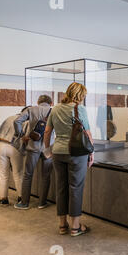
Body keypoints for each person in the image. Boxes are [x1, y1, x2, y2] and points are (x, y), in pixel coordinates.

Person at [44, 82, 94, 236]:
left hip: (58, 152)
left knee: (61, 187)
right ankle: (76, 227)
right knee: (76, 188)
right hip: (77, 153)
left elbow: (47, 132)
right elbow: (87, 133)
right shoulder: (80, 109)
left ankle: (62, 225)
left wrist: (47, 149)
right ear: (79, 95)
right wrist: (91, 152)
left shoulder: (56, 109)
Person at [14, 95, 53, 210]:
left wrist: (21, 135)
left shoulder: (31, 110)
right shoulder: (54, 111)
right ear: (50, 103)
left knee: (28, 175)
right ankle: (42, 203)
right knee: (46, 176)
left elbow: (17, 121)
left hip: (33, 146)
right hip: (48, 147)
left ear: (38, 102)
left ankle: (24, 203)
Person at [0, 107, 30, 206]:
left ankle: (3, 199)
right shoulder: (26, 122)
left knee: (3, 174)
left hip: (1, 145)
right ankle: (21, 198)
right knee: (18, 173)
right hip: (14, 147)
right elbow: (27, 139)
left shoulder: (9, 117)